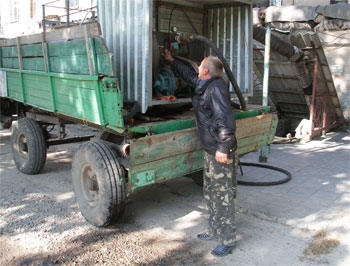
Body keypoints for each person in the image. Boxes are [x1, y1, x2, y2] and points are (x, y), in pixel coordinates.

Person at [162, 51, 238, 257]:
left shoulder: (215, 89)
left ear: (205, 71)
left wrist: (223, 148)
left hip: (219, 151)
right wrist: (172, 61)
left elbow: (226, 121)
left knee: (223, 196)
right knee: (211, 191)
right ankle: (214, 230)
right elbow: (188, 75)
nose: (196, 69)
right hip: (210, 149)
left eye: (199, 67)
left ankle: (227, 239)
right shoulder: (204, 83)